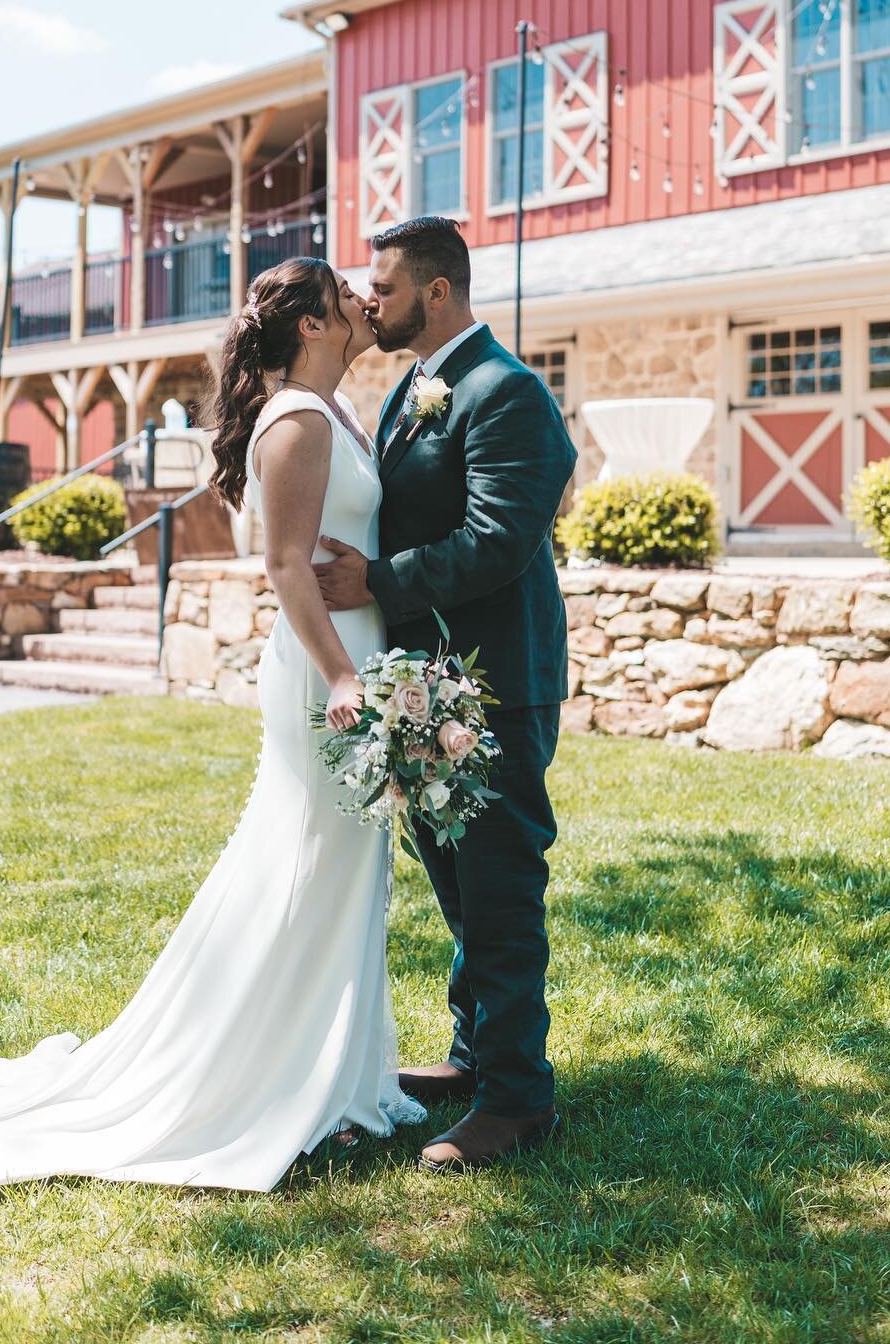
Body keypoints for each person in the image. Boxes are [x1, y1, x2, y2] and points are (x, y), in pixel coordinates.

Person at [0, 257, 425, 1190]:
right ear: (313, 329)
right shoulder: (295, 420)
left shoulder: (339, 413)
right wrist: (340, 673)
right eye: (347, 299)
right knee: (302, 863)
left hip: (359, 653)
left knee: (346, 868)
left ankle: (339, 1072)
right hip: (325, 672)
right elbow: (286, 565)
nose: (367, 305)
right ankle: (268, 1076)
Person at [314, 216, 576, 1172]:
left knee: (502, 887)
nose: (367, 303)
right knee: (460, 887)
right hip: (423, 684)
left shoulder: (505, 394)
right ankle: (474, 1059)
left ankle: (518, 1099)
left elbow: (499, 542)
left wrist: (378, 583)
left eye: (381, 289)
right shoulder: (411, 391)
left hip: (497, 680)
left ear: (436, 292)